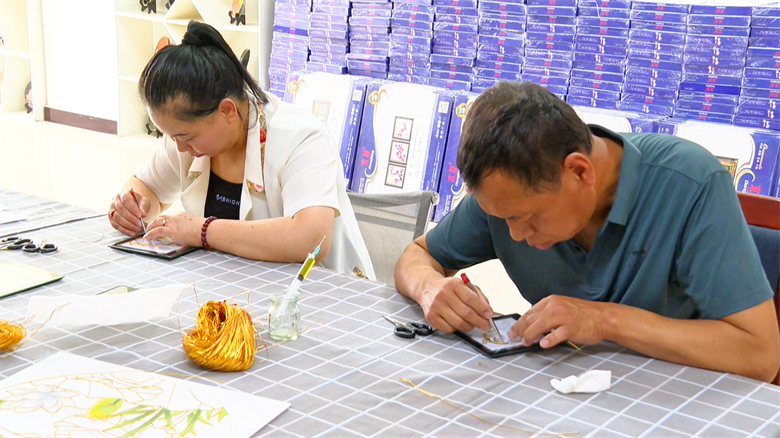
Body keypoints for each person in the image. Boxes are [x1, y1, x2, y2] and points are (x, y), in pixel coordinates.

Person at [394, 81, 780, 382]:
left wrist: (603, 320)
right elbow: (418, 256)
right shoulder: (506, 191)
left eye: (526, 217)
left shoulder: (688, 184)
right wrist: (430, 288)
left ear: (579, 172)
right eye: (501, 217)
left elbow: (760, 355)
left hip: (676, 399)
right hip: (565, 393)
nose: (514, 235)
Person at [108, 21, 375, 280]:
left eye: (184, 137)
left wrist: (203, 231)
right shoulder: (186, 136)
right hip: (239, 286)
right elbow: (147, 187)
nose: (178, 147)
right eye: (170, 136)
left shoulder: (301, 138)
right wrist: (133, 208)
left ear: (227, 111)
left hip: (320, 291)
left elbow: (312, 239)